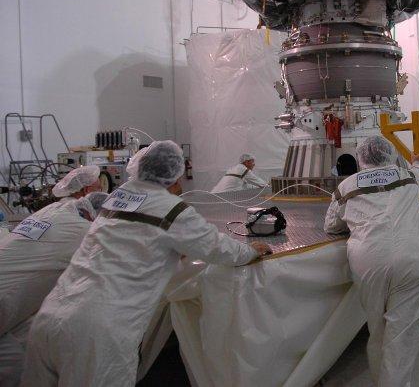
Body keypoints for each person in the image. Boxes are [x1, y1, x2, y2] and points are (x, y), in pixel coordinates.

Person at [21, 141, 272, 387]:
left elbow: (132, 239)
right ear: (174, 179)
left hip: (50, 317)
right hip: (98, 330)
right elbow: (216, 248)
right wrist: (249, 251)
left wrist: (172, 250)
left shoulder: (116, 197)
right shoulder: (172, 209)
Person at [324, 136, 419, 387]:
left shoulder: (347, 186)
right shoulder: (408, 177)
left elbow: (331, 225)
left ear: (360, 158)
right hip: (411, 260)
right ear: (389, 154)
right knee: (402, 337)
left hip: (368, 262)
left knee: (378, 331)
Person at [0, 166, 101, 386]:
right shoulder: (84, 231)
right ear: (84, 192)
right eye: (98, 186)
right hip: (7, 300)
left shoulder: (52, 211)